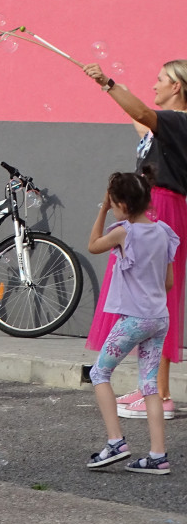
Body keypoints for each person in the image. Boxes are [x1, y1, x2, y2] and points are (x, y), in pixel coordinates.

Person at [83, 59, 187, 419]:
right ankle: (153, 390)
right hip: (154, 207)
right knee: (146, 294)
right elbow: (139, 116)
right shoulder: (162, 132)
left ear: (177, 87)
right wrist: (108, 88)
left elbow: (143, 110)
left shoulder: (178, 120)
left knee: (153, 297)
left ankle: (159, 393)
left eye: (161, 80)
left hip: (159, 208)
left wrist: (108, 82)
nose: (155, 85)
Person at [86, 170, 176, 474]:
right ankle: (158, 456)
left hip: (134, 320)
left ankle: (115, 443)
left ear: (120, 203)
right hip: (159, 318)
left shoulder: (123, 232)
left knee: (100, 373)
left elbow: (94, 245)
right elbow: (169, 282)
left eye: (112, 202)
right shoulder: (164, 231)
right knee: (149, 385)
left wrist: (101, 209)